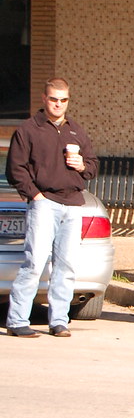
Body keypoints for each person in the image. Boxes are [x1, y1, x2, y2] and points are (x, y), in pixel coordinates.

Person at [5, 78, 99, 338]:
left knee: (66, 266)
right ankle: (17, 321)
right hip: (44, 203)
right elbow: (15, 169)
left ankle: (59, 321)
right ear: (44, 99)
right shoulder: (29, 130)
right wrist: (35, 196)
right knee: (34, 263)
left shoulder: (76, 131)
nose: (58, 104)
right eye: (54, 99)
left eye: (63, 100)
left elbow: (93, 165)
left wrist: (82, 165)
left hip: (73, 204)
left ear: (68, 100)